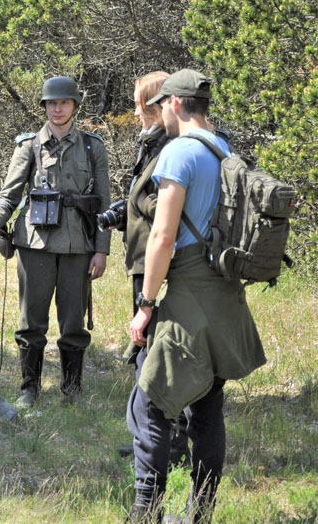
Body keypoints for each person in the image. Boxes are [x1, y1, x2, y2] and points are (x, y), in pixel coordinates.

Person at [126, 69, 265, 522]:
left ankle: (146, 513)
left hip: (188, 292)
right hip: (225, 294)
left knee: (150, 403)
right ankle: (200, 514)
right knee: (207, 405)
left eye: (162, 104)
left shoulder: (179, 153)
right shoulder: (224, 148)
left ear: (175, 105)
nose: (160, 111)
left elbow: (163, 237)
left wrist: (145, 306)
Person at [0, 76, 111, 408]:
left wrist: (101, 249)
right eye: (51, 103)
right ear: (44, 107)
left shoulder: (93, 147)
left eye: (64, 103)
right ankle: (29, 389)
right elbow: (8, 194)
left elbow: (104, 204)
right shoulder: (28, 146)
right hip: (34, 243)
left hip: (78, 244)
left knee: (73, 322)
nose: (57, 109)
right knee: (31, 319)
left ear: (75, 107)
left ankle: (72, 390)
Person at [115, 72, 190, 468]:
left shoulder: (170, 148)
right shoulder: (150, 144)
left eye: (140, 103)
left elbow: (163, 209)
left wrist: (135, 202)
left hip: (159, 264)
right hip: (143, 260)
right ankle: (149, 437)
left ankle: (169, 442)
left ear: (157, 105)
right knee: (146, 352)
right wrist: (121, 210)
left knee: (160, 353)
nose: (135, 111)